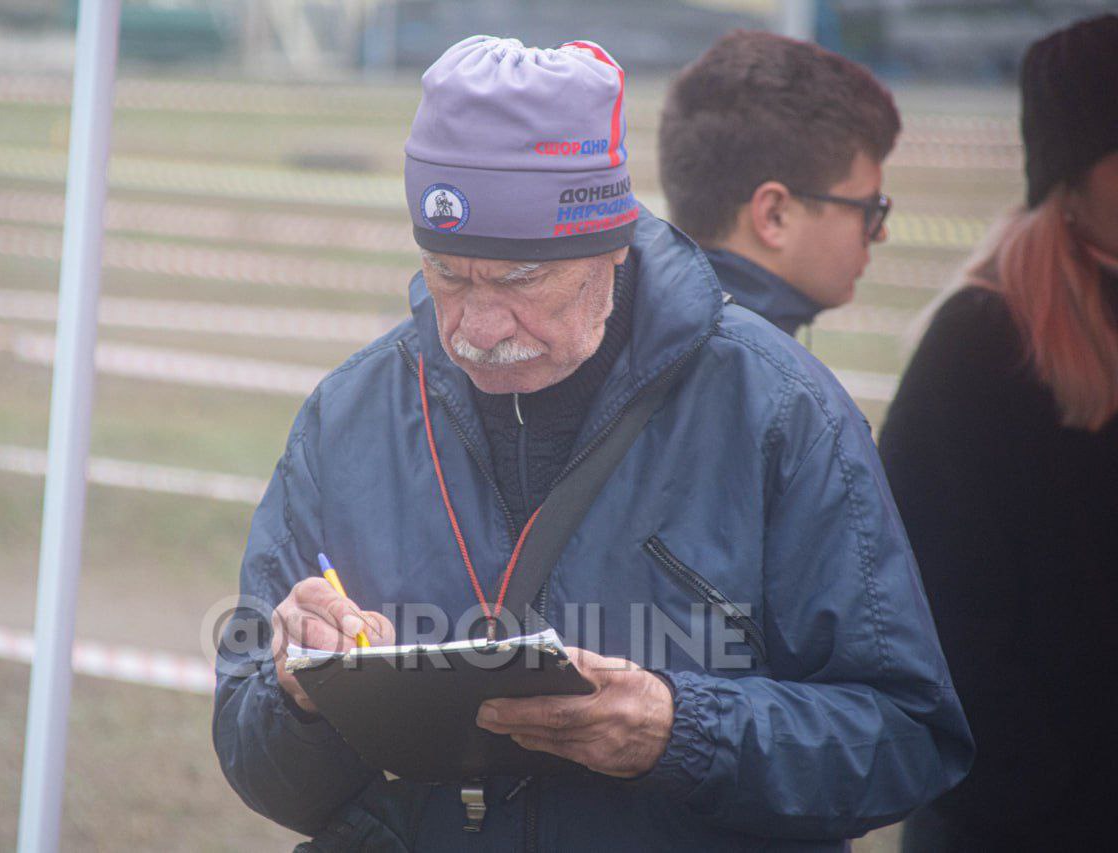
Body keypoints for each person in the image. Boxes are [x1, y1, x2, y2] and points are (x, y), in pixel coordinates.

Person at [214, 35, 972, 851]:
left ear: (612, 245)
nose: (475, 327)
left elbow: (906, 739)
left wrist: (680, 730)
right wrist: (296, 694)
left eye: (518, 280)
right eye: (446, 273)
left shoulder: (781, 412)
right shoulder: (346, 417)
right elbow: (257, 763)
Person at [878, 15, 1118, 852]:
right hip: (1023, 821)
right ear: (1075, 172)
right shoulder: (983, 342)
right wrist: (1028, 786)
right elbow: (928, 603)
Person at [658, 31, 898, 337]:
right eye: (868, 209)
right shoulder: (773, 380)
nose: (880, 233)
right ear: (775, 215)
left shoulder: (628, 333)